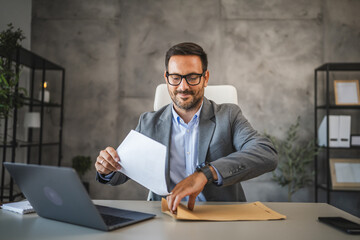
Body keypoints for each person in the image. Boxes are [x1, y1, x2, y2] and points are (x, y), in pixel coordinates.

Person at [95, 42, 278, 213]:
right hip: (165, 216)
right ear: (167, 78)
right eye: (175, 77)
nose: (183, 87)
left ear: (205, 78)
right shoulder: (149, 122)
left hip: (219, 218)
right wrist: (107, 169)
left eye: (192, 77)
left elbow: (266, 153)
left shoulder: (228, 116)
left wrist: (206, 173)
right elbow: (121, 173)